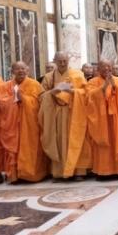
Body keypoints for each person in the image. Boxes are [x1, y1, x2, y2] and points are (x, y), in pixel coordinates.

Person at [0, 61, 47, 183]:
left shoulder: (35, 85)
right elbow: (0, 102)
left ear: (27, 71)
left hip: (29, 124)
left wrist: (25, 100)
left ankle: (30, 175)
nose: (20, 71)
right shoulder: (4, 86)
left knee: (30, 148)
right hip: (11, 124)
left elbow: (41, 104)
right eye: (17, 69)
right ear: (12, 71)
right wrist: (14, 99)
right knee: (13, 149)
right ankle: (14, 175)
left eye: (23, 68)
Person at [39, 52, 91, 180]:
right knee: (58, 141)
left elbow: (86, 93)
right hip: (56, 113)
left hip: (74, 112)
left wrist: (72, 91)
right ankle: (60, 172)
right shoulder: (48, 77)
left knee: (76, 140)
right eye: (60, 61)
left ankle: (78, 172)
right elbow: (40, 97)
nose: (62, 63)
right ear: (54, 60)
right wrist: (52, 92)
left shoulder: (78, 75)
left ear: (69, 60)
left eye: (65, 61)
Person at [86, 59, 118, 177]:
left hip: (117, 118)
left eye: (108, 66)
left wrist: (114, 87)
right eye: (103, 66)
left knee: (117, 140)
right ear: (98, 69)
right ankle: (103, 171)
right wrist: (104, 87)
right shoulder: (92, 82)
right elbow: (89, 98)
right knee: (104, 144)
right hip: (102, 120)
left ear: (112, 67)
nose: (106, 69)